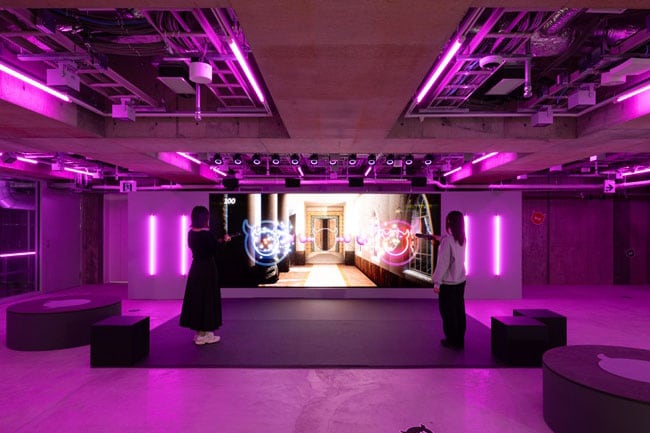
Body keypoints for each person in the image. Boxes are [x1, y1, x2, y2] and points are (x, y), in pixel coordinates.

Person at [180, 205, 230, 345]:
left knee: (198, 299)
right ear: (204, 218)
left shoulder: (191, 233)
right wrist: (225, 241)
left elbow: (204, 247)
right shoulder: (206, 234)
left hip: (196, 268)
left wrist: (217, 242)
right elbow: (215, 249)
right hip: (207, 269)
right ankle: (203, 335)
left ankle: (201, 332)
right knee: (207, 299)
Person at [431, 210, 467, 349]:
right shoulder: (462, 239)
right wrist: (440, 239)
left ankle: (451, 340)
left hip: (448, 284)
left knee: (448, 313)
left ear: (449, 223)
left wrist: (437, 282)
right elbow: (451, 246)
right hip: (460, 281)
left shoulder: (447, 242)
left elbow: (443, 264)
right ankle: (459, 339)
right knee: (458, 310)